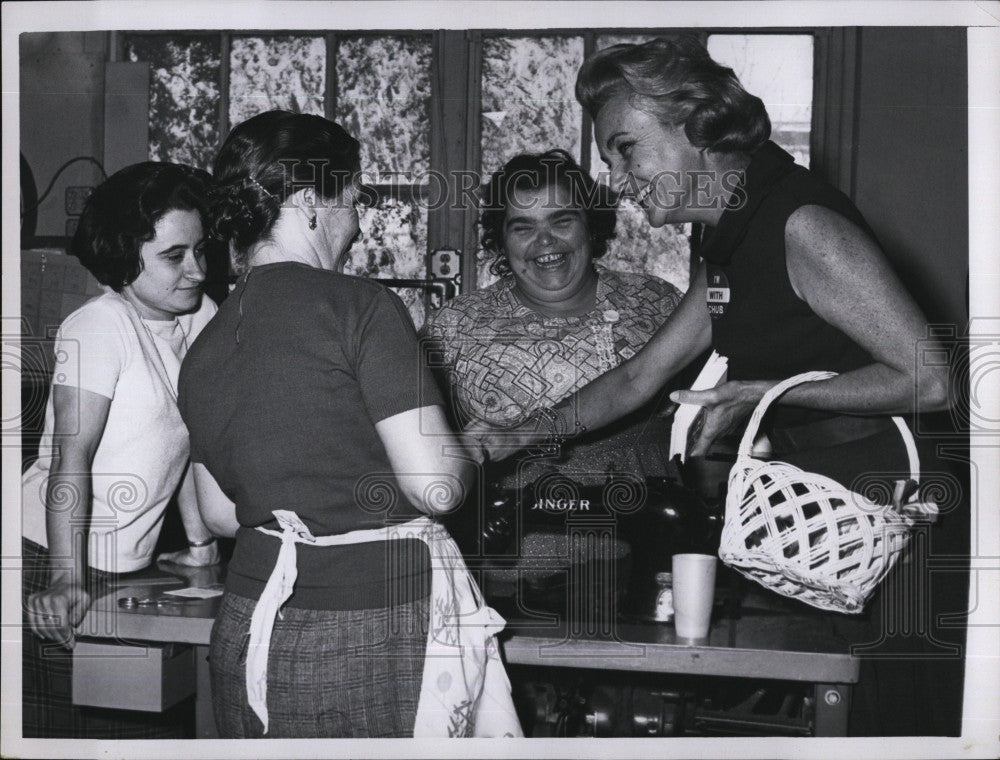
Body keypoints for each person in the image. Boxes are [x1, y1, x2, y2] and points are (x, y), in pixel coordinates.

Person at [468, 37, 952, 736]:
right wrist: (514, 435)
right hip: (818, 518)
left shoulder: (801, 226)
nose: (620, 178)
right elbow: (642, 375)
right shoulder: (726, 234)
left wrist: (767, 396)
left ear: (698, 125)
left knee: (893, 723)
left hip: (891, 520)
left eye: (628, 148)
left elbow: (929, 378)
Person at [178, 110, 521, 738]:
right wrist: (465, 449)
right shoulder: (362, 307)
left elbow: (222, 515)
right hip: (371, 623)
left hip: (248, 623)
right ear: (311, 200)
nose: (358, 224)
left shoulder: (203, 346)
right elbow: (435, 487)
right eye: (354, 200)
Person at [423, 149, 683, 610]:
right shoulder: (453, 329)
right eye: (522, 227)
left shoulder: (658, 303)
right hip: (507, 574)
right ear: (502, 241)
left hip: (647, 567)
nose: (545, 241)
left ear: (591, 225)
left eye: (562, 220)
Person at [21, 161, 221, 738]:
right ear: (124, 256)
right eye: (174, 256)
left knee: (137, 728)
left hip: (121, 568)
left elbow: (190, 436)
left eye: (201, 250)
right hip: (47, 556)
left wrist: (202, 543)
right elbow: (70, 456)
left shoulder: (198, 316)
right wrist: (64, 577)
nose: (197, 270)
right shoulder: (101, 324)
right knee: (68, 733)